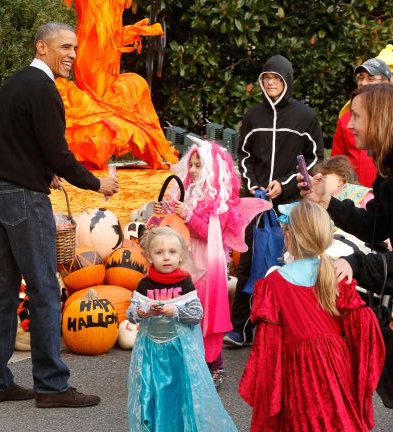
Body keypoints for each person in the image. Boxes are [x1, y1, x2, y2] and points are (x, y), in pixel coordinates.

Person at [0, 22, 118, 408]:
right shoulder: (44, 90)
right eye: (65, 47)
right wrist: (96, 185)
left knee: (2, 289)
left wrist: (39, 169)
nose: (73, 54)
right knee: (44, 289)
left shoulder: (13, 84)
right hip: (23, 199)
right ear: (42, 47)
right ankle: (53, 387)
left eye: (75, 48)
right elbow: (58, 153)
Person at [238, 201, 384, 431]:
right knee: (338, 417)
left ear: (287, 236)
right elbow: (362, 326)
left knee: (301, 421)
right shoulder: (335, 274)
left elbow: (268, 346)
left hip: (297, 368)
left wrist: (267, 390)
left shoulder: (272, 284)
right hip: (336, 363)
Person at [301, 83, 393, 407]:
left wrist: (354, 264)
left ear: (379, 118)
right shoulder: (386, 173)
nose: (349, 124)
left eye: (356, 116)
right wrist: (327, 200)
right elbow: (375, 227)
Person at [226, 54, 324, 348]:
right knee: (249, 263)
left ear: (287, 81)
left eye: (276, 78)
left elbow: (315, 158)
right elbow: (244, 156)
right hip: (256, 203)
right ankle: (240, 329)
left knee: (288, 264)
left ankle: (284, 330)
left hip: (290, 205)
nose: (270, 83)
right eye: (266, 78)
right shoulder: (253, 116)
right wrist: (253, 185)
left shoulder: (305, 117)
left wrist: (286, 185)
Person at [153, 140, 244, 387]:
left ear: (212, 170)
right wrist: (167, 209)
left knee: (204, 313)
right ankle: (188, 362)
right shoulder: (190, 190)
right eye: (190, 165)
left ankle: (215, 364)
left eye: (198, 166)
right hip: (187, 261)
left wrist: (188, 215)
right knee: (183, 311)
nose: (192, 170)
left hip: (208, 264)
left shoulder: (222, 200)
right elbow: (177, 221)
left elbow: (208, 232)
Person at [126, 227, 236, 431]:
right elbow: (130, 313)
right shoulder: (144, 284)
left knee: (180, 393)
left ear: (181, 255)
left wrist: (175, 310)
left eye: (172, 252)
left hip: (179, 353)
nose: (166, 257)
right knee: (153, 392)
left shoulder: (185, 283)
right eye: (159, 253)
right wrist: (143, 312)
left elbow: (197, 315)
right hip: (152, 353)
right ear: (149, 256)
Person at [331, 57, 392, 187]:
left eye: (371, 78)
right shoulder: (346, 119)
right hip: (353, 193)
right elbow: (336, 160)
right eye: (360, 77)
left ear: (388, 83)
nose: (364, 83)